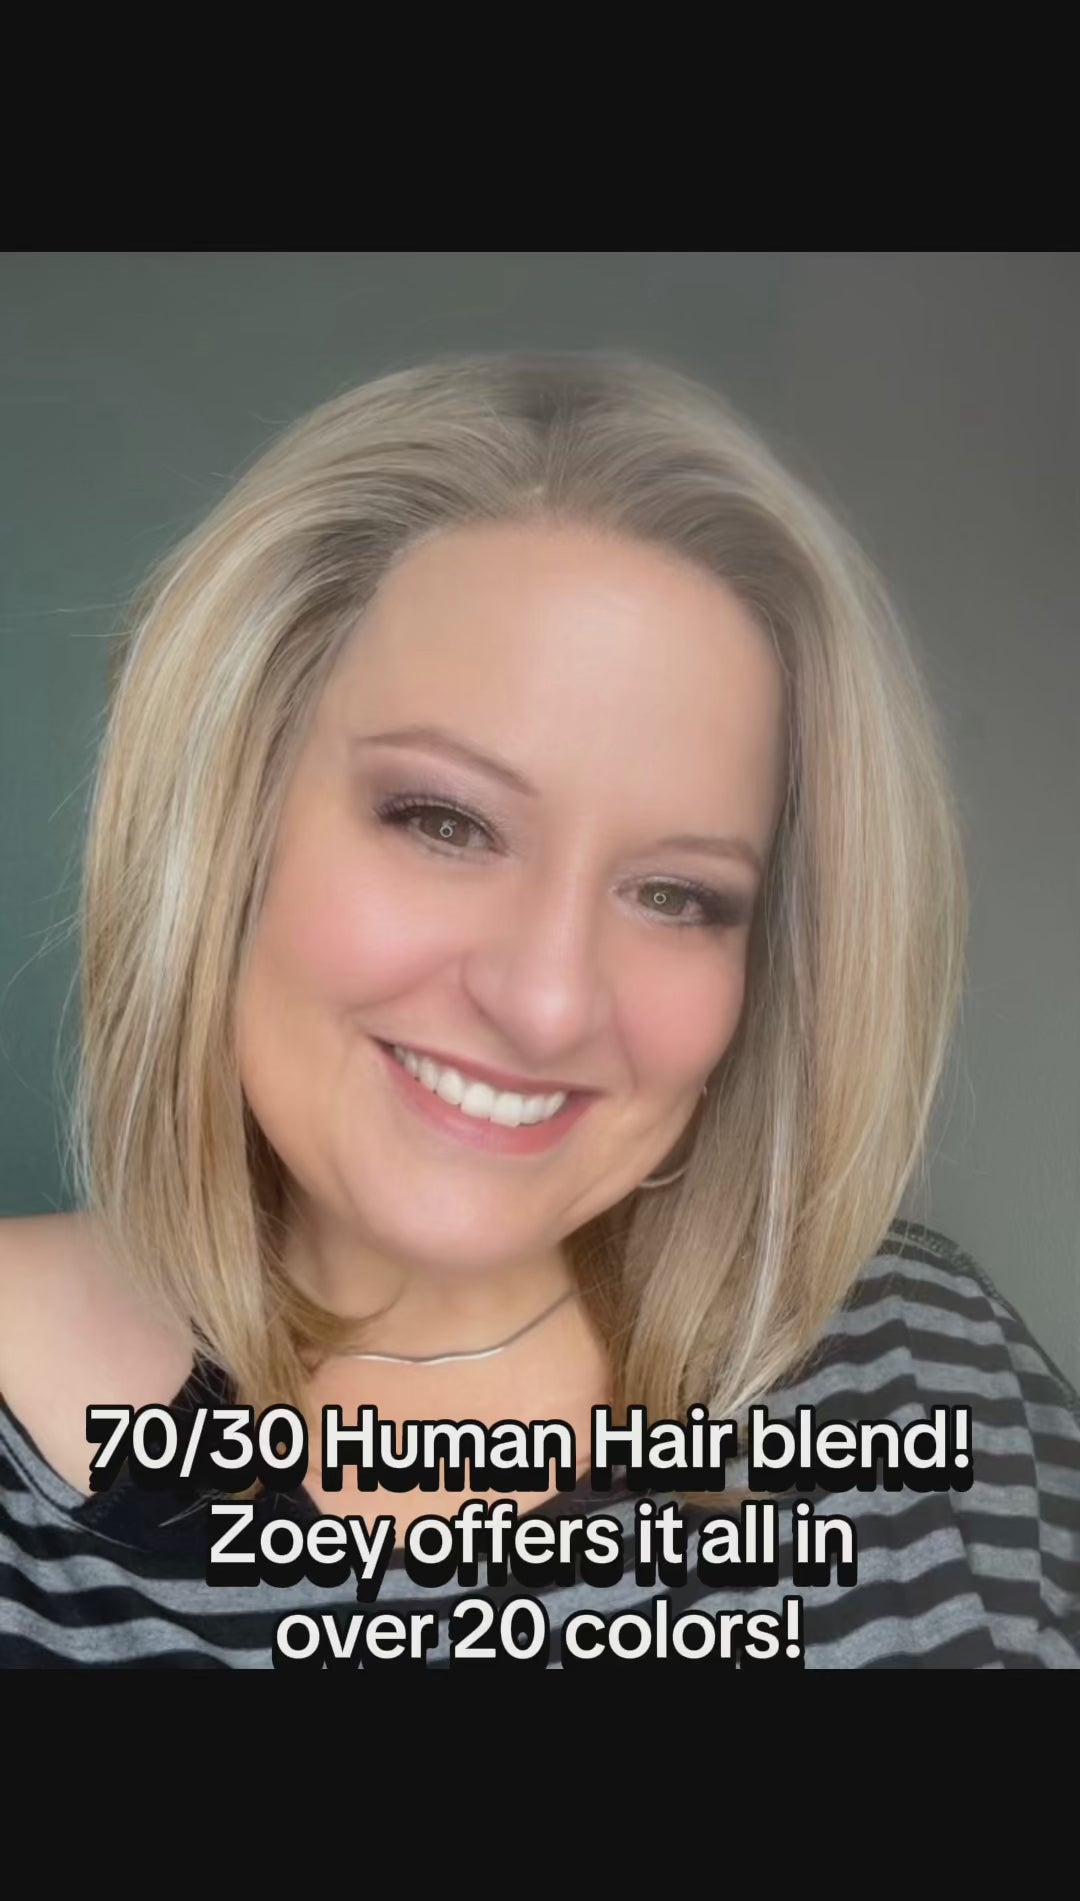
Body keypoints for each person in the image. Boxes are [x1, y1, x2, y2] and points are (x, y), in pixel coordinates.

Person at [0, 350, 1077, 1668]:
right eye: (444, 821)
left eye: (677, 895)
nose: (550, 1002)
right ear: (229, 817)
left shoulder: (920, 1367)